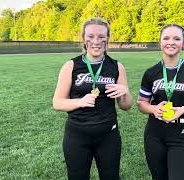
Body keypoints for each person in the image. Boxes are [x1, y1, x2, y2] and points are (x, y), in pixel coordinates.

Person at [53, 18, 132, 180]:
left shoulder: (117, 67)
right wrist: (80, 102)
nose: (96, 41)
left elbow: (126, 106)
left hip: (108, 136)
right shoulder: (71, 65)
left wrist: (124, 92)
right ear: (83, 38)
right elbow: (57, 102)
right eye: (90, 36)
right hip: (77, 136)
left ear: (108, 39)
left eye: (101, 37)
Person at [137, 24, 184, 180]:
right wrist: (153, 109)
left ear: (183, 43)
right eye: (166, 38)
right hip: (154, 135)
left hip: (182, 135)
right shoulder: (151, 72)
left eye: (176, 38)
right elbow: (141, 103)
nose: (171, 42)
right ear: (160, 42)